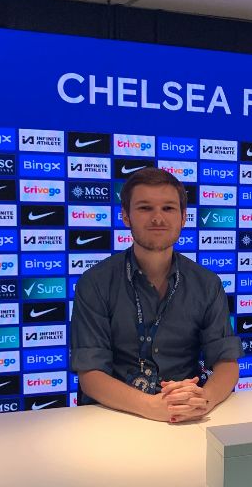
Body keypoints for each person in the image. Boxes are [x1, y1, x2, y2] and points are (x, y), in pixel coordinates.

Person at [70, 168, 240, 422]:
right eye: (145, 208)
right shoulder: (96, 282)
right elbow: (91, 375)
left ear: (183, 217)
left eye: (168, 208)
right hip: (115, 416)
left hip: (185, 416)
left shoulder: (207, 283)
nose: (157, 218)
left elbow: (227, 363)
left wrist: (202, 401)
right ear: (126, 216)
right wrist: (152, 406)